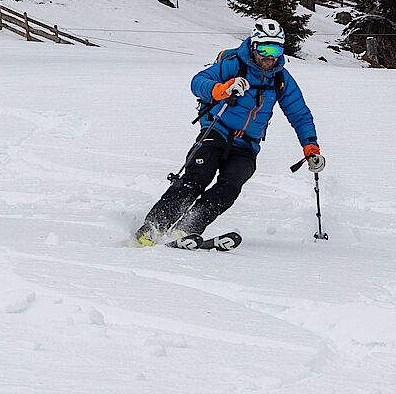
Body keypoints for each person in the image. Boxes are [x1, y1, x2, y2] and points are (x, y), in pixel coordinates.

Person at [133, 17, 324, 246]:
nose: (269, 56)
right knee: (196, 179)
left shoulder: (281, 78)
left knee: (229, 188)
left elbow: (299, 114)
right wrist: (223, 89)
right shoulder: (232, 64)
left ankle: (186, 230)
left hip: (247, 144)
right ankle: (153, 228)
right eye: (264, 48)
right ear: (254, 45)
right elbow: (198, 82)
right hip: (216, 131)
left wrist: (310, 147)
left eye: (275, 48)